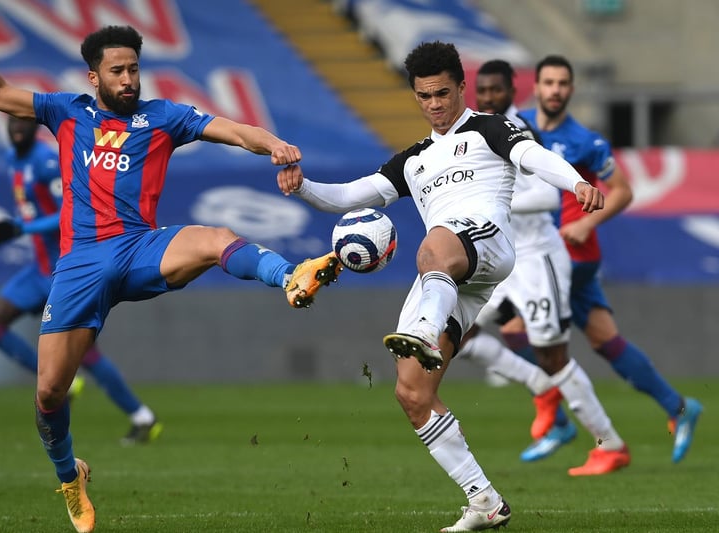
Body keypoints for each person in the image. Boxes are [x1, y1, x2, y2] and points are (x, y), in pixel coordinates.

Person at [0, 10, 342, 533]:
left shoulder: (163, 116)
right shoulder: (65, 111)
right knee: (49, 394)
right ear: (93, 77)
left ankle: (291, 276)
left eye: (134, 69)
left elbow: (229, 128)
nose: (128, 79)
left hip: (138, 247)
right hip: (79, 265)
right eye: (117, 71)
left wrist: (272, 144)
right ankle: (71, 475)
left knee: (214, 239)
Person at [278, 41, 604, 532]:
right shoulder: (413, 161)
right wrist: (302, 185)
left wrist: (574, 181)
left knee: (431, 247)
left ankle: (427, 331)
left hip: (486, 243)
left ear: (460, 87)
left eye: (442, 93)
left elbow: (532, 155)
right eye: (424, 96)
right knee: (411, 391)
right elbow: (348, 196)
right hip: (450, 279)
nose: (434, 104)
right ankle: (484, 501)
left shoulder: (489, 127)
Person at [515, 55, 702, 464]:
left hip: (570, 252)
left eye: (563, 83)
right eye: (548, 82)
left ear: (571, 89)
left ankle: (564, 421)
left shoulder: (585, 141)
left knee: (515, 327)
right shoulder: (518, 125)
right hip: (540, 252)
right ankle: (679, 408)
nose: (555, 90)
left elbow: (622, 190)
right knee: (605, 340)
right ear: (538, 85)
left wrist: (586, 224)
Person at [453, 59, 631, 474]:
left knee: (554, 357)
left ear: (513, 91)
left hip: (538, 258)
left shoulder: (520, 133)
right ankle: (540, 388)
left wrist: (492, 202)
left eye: (497, 90)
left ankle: (610, 444)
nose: (489, 97)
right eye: (484, 90)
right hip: (501, 255)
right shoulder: (473, 130)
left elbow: (549, 198)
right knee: (457, 332)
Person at [0, 115, 162, 446]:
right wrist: (8, 233)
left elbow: (68, 209)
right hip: (38, 270)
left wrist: (22, 229)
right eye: (13, 122)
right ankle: (63, 378)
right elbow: (34, 212)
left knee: (87, 352)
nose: (18, 128)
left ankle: (142, 416)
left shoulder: (47, 162)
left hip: (67, 272)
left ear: (37, 127)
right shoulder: (13, 159)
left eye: (25, 122)